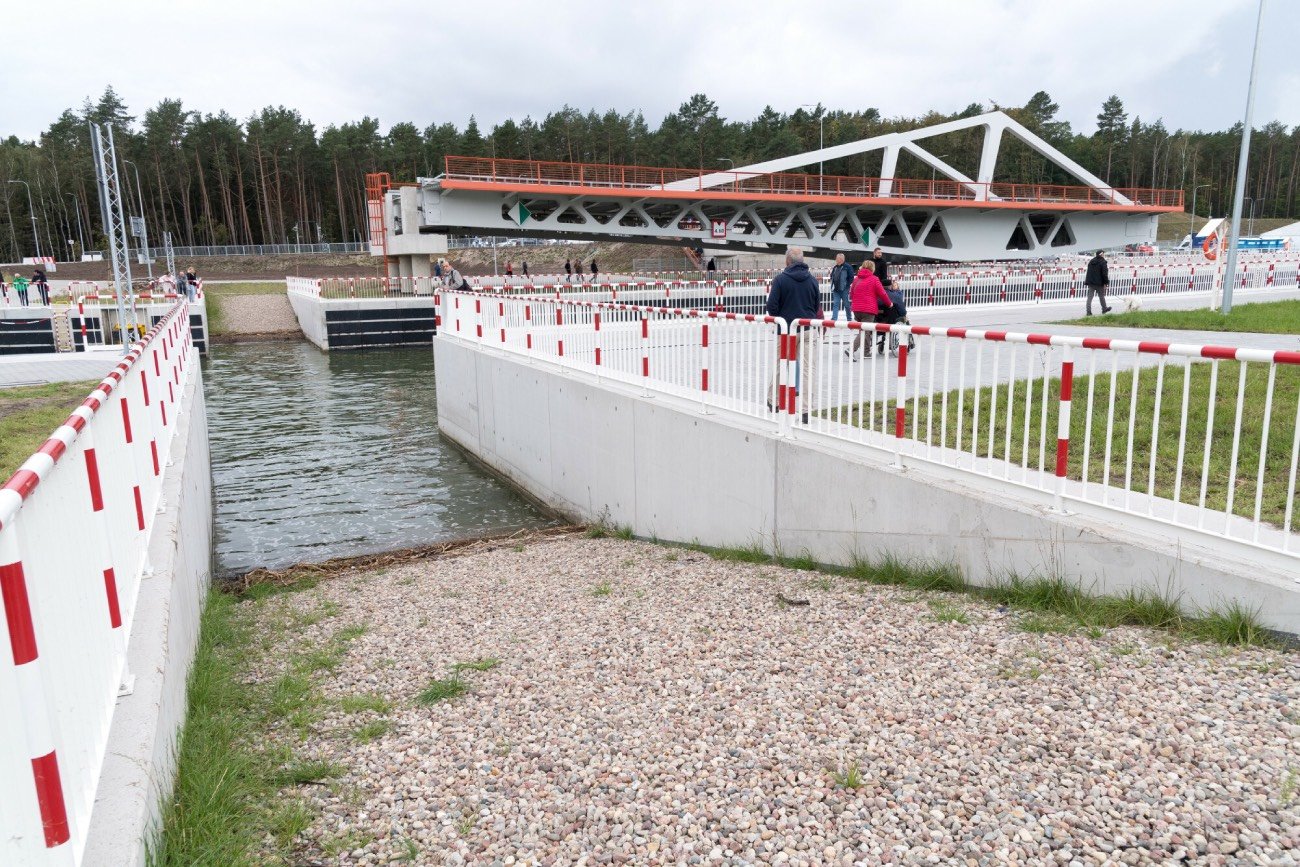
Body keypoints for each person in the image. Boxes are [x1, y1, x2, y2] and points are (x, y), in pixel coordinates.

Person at [765, 246, 824, 422]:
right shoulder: (812, 281)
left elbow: (772, 307)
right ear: (803, 261)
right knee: (807, 370)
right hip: (807, 329)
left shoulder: (780, 280)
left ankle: (774, 401)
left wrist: (783, 317)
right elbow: (816, 307)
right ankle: (805, 410)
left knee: (781, 365)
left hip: (786, 330)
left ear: (787, 261)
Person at [847, 260, 892, 359]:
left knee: (864, 330)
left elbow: (851, 294)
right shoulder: (874, 279)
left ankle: (866, 352)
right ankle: (851, 349)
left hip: (856, 310)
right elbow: (883, 293)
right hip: (868, 310)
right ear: (872, 268)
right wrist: (889, 304)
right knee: (865, 331)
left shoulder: (856, 279)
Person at [875, 279, 914, 355]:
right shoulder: (895, 295)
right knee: (905, 319)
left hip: (878, 320)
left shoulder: (876, 295)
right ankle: (910, 342)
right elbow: (902, 311)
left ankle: (883, 342)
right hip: (892, 321)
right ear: (890, 286)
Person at [1084, 250, 1111, 315]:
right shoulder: (1103, 262)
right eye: (1103, 254)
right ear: (1101, 254)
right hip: (1099, 283)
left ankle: (1088, 312)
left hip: (1091, 283)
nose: (1104, 255)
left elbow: (1089, 272)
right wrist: (1106, 283)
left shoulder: (1091, 261)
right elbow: (1104, 274)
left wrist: (1088, 281)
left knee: (1090, 297)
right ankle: (1104, 309)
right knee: (1101, 296)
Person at [828, 253, 854, 322]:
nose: (836, 259)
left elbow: (851, 277)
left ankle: (849, 318)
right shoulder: (835, 267)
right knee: (835, 304)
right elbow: (832, 276)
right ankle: (834, 319)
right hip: (836, 289)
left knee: (846, 305)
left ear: (841, 259)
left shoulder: (847, 267)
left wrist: (847, 285)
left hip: (844, 289)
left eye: (837, 258)